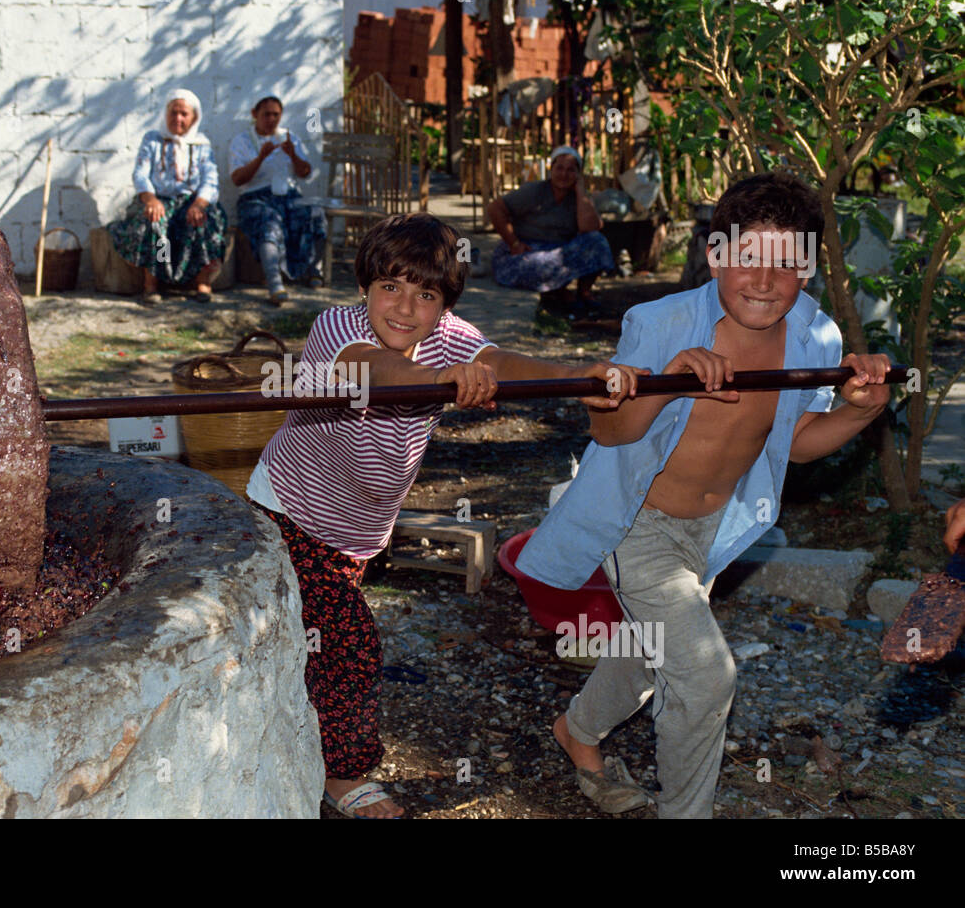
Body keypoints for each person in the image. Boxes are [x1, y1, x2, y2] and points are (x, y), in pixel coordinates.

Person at [515, 171, 892, 818]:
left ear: (809, 269)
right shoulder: (661, 322)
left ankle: (576, 731)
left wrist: (860, 412)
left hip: (715, 532)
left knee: (643, 657)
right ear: (716, 254)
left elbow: (795, 441)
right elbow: (610, 429)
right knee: (706, 675)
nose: (765, 281)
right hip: (639, 523)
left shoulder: (814, 338)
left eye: (785, 264)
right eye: (747, 257)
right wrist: (671, 381)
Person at [244, 212, 643, 819]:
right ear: (365, 288)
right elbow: (377, 369)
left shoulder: (448, 337)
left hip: (356, 534)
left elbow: (501, 361)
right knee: (350, 642)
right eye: (390, 288)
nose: (404, 308)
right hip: (290, 512)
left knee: (308, 637)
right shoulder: (336, 329)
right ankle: (344, 775)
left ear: (445, 304)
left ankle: (286, 727)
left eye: (425, 294)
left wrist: (574, 377)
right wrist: (439, 380)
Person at [107, 88, 227, 303]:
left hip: (192, 201)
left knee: (202, 221)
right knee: (155, 224)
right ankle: (153, 283)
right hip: (159, 199)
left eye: (184, 114)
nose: (178, 118)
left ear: (194, 117)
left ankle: (203, 282)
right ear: (166, 113)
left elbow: (211, 180)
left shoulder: (202, 144)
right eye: (173, 112)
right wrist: (150, 199)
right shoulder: (153, 140)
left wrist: (199, 204)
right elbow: (140, 174)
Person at [488, 145, 616, 318]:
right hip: (528, 251)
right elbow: (495, 208)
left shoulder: (579, 197)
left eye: (571, 170)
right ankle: (560, 292)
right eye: (559, 168)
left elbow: (590, 228)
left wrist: (580, 191)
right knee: (540, 264)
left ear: (578, 174)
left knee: (597, 242)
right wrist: (514, 243)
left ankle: (584, 292)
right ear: (551, 169)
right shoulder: (534, 191)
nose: (564, 174)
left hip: (559, 251)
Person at [229, 95, 327, 306]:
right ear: (255, 115)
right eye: (267, 114)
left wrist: (293, 154)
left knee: (316, 212)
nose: (271, 119)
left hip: (288, 196)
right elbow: (237, 179)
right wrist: (260, 158)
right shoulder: (242, 141)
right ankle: (275, 283)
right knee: (269, 220)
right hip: (256, 198)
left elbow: (306, 172)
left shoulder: (288, 138)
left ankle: (313, 270)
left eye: (276, 115)